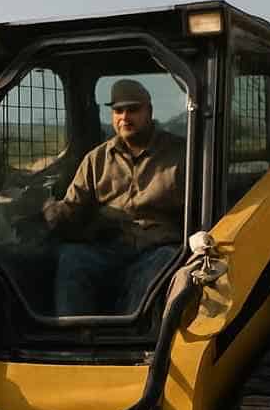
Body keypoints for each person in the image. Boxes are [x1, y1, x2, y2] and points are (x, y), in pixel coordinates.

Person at [40, 78, 185, 315]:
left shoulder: (180, 154)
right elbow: (72, 206)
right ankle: (75, 340)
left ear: (149, 110)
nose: (125, 118)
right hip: (109, 248)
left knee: (161, 267)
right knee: (72, 258)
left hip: (158, 248)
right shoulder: (96, 160)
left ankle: (134, 339)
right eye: (118, 111)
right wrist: (49, 209)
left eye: (133, 110)